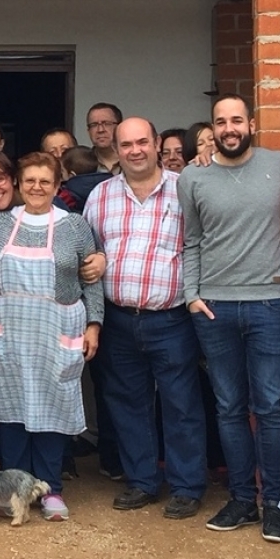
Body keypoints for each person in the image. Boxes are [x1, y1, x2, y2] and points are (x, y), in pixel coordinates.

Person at [178, 95, 280, 540]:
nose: (229, 128)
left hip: (270, 304)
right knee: (228, 408)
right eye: (220, 122)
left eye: (236, 120)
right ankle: (243, 499)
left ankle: (276, 502)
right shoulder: (194, 176)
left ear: (251, 123)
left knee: (270, 408)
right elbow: (192, 240)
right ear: (213, 127)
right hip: (214, 307)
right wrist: (191, 296)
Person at [84, 118, 210, 526]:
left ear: (158, 144)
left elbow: (205, 245)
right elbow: (88, 249)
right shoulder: (100, 195)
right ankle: (141, 480)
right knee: (126, 404)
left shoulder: (185, 188)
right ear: (116, 150)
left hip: (171, 317)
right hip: (118, 318)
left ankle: (187, 486)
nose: (135, 150)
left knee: (181, 404)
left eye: (142, 142)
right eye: (126, 144)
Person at [0, 151, 102, 521]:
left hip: (56, 328)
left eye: (44, 181)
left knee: (53, 407)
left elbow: (90, 279)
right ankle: (14, 489)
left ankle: (50, 489)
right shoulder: (0, 224)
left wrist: (93, 325)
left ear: (57, 184)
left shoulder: (75, 226)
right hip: (8, 329)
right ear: (18, 183)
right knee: (10, 410)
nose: (36, 187)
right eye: (29, 180)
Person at [55, 146, 110, 213]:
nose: (61, 177)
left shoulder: (67, 197)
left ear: (71, 175)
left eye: (62, 172)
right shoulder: (108, 188)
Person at [86, 103, 124, 173]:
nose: (100, 130)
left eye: (107, 123)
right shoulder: (83, 163)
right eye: (94, 125)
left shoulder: (132, 159)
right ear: (88, 131)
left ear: (120, 127)